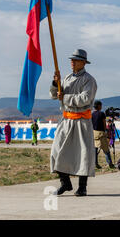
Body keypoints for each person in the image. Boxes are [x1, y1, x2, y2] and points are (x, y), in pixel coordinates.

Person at [50, 49, 97, 197]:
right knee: (56, 151)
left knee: (83, 154)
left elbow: (85, 99)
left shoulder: (89, 80)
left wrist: (64, 97)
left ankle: (82, 187)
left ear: (83, 62)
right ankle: (65, 183)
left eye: (76, 60)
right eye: (72, 59)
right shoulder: (67, 78)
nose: (72, 62)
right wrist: (55, 83)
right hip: (66, 120)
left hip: (82, 120)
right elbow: (54, 95)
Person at [92, 100, 115, 169]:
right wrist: (106, 131)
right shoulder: (102, 113)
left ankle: (95, 163)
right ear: (99, 106)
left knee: (95, 149)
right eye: (101, 105)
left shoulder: (92, 114)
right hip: (101, 133)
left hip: (94, 133)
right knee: (106, 150)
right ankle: (110, 163)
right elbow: (104, 123)